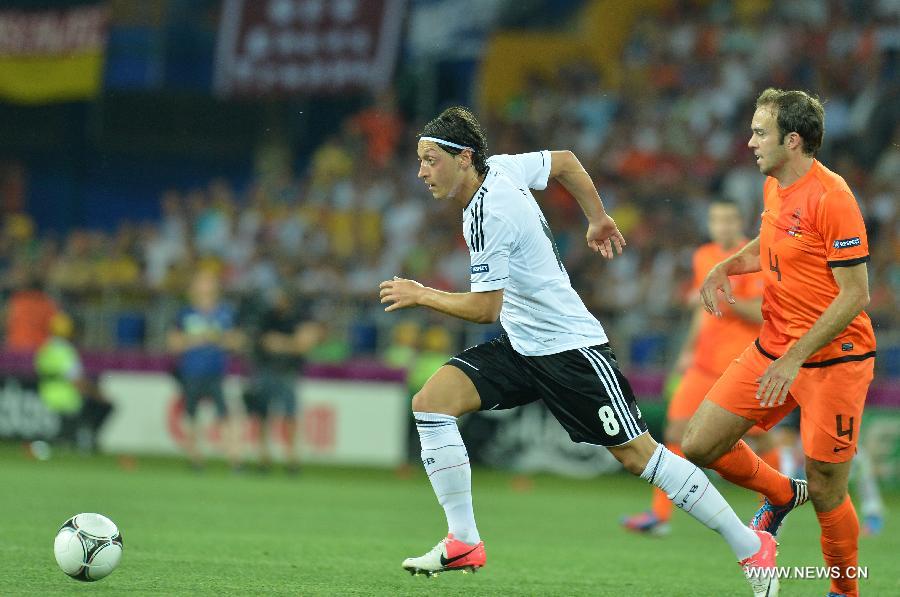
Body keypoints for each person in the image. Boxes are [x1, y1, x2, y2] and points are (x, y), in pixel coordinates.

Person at [379, 106, 779, 595]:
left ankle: (749, 545)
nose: (421, 171)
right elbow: (565, 161)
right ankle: (463, 539)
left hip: (570, 349)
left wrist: (422, 294)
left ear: (463, 159)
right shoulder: (501, 165)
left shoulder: (489, 210)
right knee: (431, 403)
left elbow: (485, 308)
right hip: (523, 344)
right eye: (419, 160)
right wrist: (598, 219)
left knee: (639, 457)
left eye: (430, 159)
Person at [682, 88, 876, 597]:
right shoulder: (774, 187)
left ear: (792, 140)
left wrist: (795, 357)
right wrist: (729, 263)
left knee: (830, 483)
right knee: (700, 443)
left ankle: (844, 591)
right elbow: (772, 243)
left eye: (759, 133)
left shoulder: (832, 198)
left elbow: (856, 295)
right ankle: (782, 494)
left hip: (834, 359)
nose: (749, 143)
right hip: (776, 346)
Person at [622, 198, 777, 536]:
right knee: (675, 432)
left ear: (740, 223)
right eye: (716, 220)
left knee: (759, 442)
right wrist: (687, 350)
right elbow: (701, 309)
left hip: (739, 363)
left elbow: (760, 313)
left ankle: (775, 502)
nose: (723, 226)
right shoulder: (703, 256)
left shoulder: (751, 260)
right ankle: (660, 515)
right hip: (703, 363)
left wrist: (721, 294)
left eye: (729, 219)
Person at [167, 270, 244, 470]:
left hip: (216, 372)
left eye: (208, 283)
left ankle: (234, 459)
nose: (205, 287)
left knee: (224, 414)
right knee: (191, 415)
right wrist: (196, 339)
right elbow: (173, 343)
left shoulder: (225, 312)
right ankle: (195, 458)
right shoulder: (185, 314)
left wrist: (219, 339)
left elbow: (237, 341)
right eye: (201, 283)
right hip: (191, 372)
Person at [243, 286, 322, 472]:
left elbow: (304, 344)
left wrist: (281, 343)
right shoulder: (266, 316)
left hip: (287, 371)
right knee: (263, 414)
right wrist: (292, 343)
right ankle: (264, 457)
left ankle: (291, 457)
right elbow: (263, 342)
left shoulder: (299, 316)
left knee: (290, 415)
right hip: (266, 369)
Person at [34, 312, 113, 453]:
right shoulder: (66, 351)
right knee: (104, 405)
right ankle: (86, 438)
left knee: (63, 433)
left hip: (46, 397)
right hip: (67, 398)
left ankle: (74, 439)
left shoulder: (46, 348)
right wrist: (97, 393)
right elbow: (77, 380)